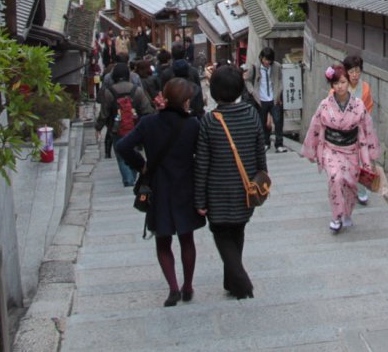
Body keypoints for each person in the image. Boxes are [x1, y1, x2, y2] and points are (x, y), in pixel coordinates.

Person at [115, 77, 205, 307]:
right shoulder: (192, 125)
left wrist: (142, 165)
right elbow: (203, 155)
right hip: (185, 186)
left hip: (159, 187)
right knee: (187, 239)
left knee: (163, 241)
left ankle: (173, 288)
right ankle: (188, 286)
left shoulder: (149, 123)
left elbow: (123, 146)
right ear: (184, 102)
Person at [194, 64, 266, 299]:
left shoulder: (209, 121)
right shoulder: (251, 114)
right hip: (246, 189)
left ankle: (241, 282)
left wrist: (200, 199)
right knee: (237, 230)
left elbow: (202, 163)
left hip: (217, 191)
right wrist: (262, 179)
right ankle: (231, 281)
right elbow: (260, 152)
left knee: (222, 233)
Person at [302, 63, 379, 234]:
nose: (340, 86)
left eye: (343, 82)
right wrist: (311, 149)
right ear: (332, 85)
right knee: (335, 178)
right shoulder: (325, 105)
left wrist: (370, 154)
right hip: (331, 149)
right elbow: (315, 126)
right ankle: (336, 217)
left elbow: (366, 128)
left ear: (348, 83)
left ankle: (347, 213)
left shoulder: (358, 105)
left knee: (350, 184)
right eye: (336, 83)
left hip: (351, 150)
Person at [95, 62, 154, 186]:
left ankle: (128, 180)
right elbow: (147, 110)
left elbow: (104, 113)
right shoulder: (137, 90)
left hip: (117, 128)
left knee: (121, 154)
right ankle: (132, 175)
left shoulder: (109, 92)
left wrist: (98, 127)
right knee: (134, 152)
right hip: (135, 127)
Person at [342, 54, 374, 203]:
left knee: (361, 161)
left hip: (360, 131)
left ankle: (361, 190)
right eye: (351, 72)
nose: (355, 75)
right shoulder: (340, 86)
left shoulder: (365, 88)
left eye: (357, 71)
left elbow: (368, 108)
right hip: (343, 132)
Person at [244, 47, 285, 153]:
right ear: (261, 58)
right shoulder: (255, 67)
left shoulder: (277, 66)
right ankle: (266, 142)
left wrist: (279, 90)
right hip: (261, 99)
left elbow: (280, 79)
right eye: (265, 59)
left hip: (273, 98)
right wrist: (252, 91)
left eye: (269, 60)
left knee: (278, 121)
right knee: (262, 122)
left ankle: (279, 144)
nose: (267, 62)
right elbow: (247, 80)